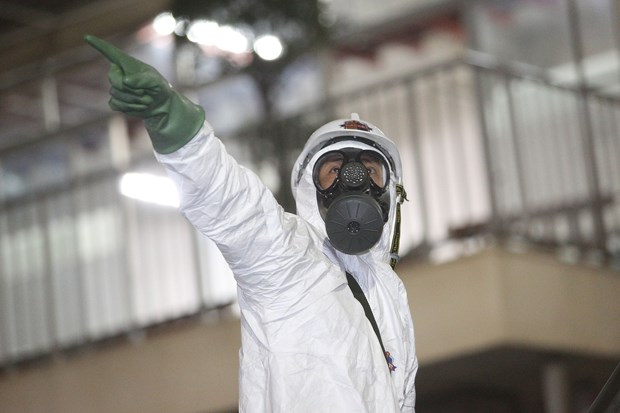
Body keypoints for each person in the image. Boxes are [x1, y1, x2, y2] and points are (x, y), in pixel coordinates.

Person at [85, 34, 418, 412]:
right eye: (336, 169)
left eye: (369, 169)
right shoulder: (289, 262)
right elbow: (235, 206)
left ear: (391, 191)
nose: (353, 180)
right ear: (313, 189)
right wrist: (172, 120)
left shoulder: (391, 295)